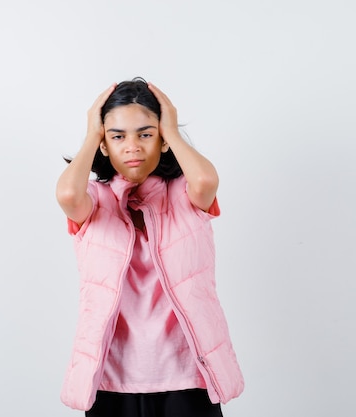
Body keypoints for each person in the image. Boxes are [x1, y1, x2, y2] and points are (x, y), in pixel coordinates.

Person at [56, 77, 244, 417]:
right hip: (111, 380)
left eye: (146, 134)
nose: (132, 146)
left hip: (188, 376)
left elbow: (206, 181)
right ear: (103, 142)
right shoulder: (94, 202)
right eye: (117, 136)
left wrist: (170, 129)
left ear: (162, 139)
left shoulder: (185, 196)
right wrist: (90, 136)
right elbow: (68, 195)